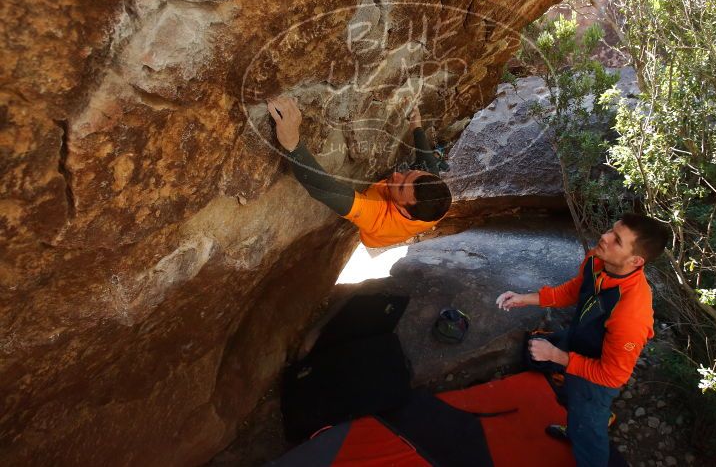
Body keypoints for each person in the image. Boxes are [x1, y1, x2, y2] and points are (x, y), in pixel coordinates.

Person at [495, 214, 671, 467]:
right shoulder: (598, 258)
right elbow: (575, 289)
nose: (605, 237)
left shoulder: (631, 313)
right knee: (570, 395)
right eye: (611, 230)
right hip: (581, 342)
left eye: (617, 240)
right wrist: (526, 298)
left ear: (636, 260)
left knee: (588, 433)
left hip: (598, 377)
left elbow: (612, 376)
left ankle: (587, 428)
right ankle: (588, 419)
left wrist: (555, 356)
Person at [267, 95, 452, 248]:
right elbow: (428, 164)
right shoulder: (434, 197)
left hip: (373, 239)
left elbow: (322, 188)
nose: (396, 175)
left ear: (405, 211)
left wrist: (292, 143)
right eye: (409, 174)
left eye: (401, 187)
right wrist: (417, 127)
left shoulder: (377, 217)